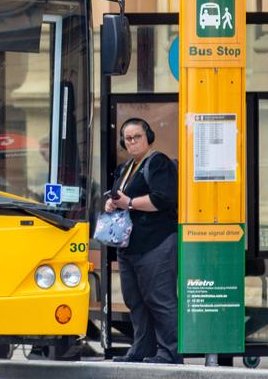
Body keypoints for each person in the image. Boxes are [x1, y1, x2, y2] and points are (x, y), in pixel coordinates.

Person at [106, 117, 180, 364]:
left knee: (160, 299)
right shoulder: (125, 167)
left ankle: (169, 352)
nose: (133, 142)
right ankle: (142, 350)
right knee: (135, 301)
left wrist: (128, 202)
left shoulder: (158, 162)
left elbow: (164, 199)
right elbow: (121, 197)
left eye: (137, 136)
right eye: (128, 138)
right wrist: (112, 203)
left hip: (156, 243)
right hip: (130, 246)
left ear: (148, 137)